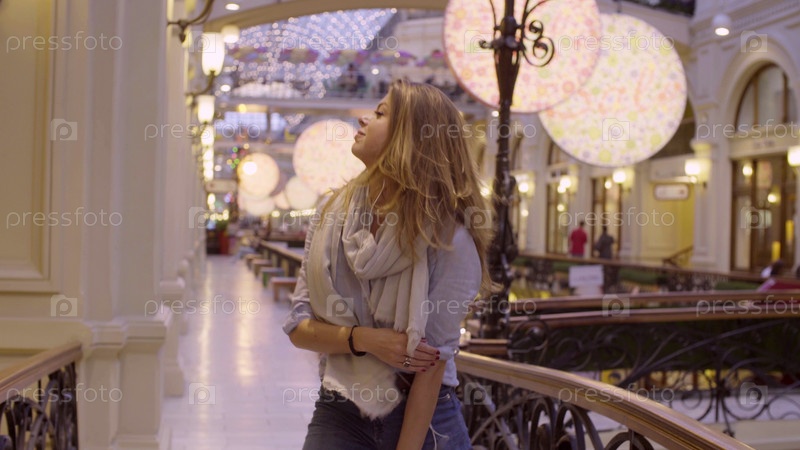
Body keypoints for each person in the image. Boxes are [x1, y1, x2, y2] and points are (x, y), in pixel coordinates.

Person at [283, 80, 493, 450]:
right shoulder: (331, 216)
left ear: (411, 137)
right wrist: (365, 340)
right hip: (341, 408)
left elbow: (432, 364)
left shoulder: (449, 238)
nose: (363, 119)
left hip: (425, 419)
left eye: (380, 114)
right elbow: (299, 327)